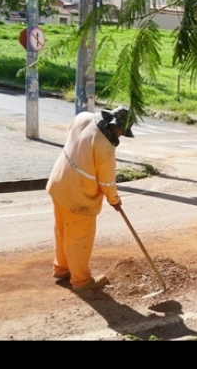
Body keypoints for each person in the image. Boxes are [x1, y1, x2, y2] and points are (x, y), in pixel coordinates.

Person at [47, 106, 135, 292]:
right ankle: (81, 280)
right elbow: (106, 182)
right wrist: (114, 200)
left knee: (62, 229)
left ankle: (61, 268)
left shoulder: (83, 118)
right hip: (79, 197)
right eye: (121, 131)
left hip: (59, 183)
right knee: (79, 238)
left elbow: (71, 133)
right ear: (115, 125)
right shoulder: (105, 148)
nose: (120, 136)